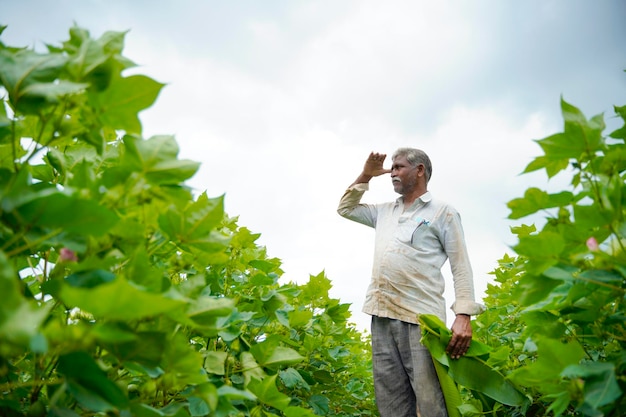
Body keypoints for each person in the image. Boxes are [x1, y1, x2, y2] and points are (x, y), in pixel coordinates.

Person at [337, 148, 484, 417]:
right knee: (390, 402)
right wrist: (366, 175)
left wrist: (463, 315)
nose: (392, 172)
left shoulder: (443, 212)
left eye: (398, 167)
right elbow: (345, 208)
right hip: (381, 314)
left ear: (419, 171)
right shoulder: (384, 212)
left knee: (429, 402)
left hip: (420, 318)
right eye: (391, 168)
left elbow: (460, 265)